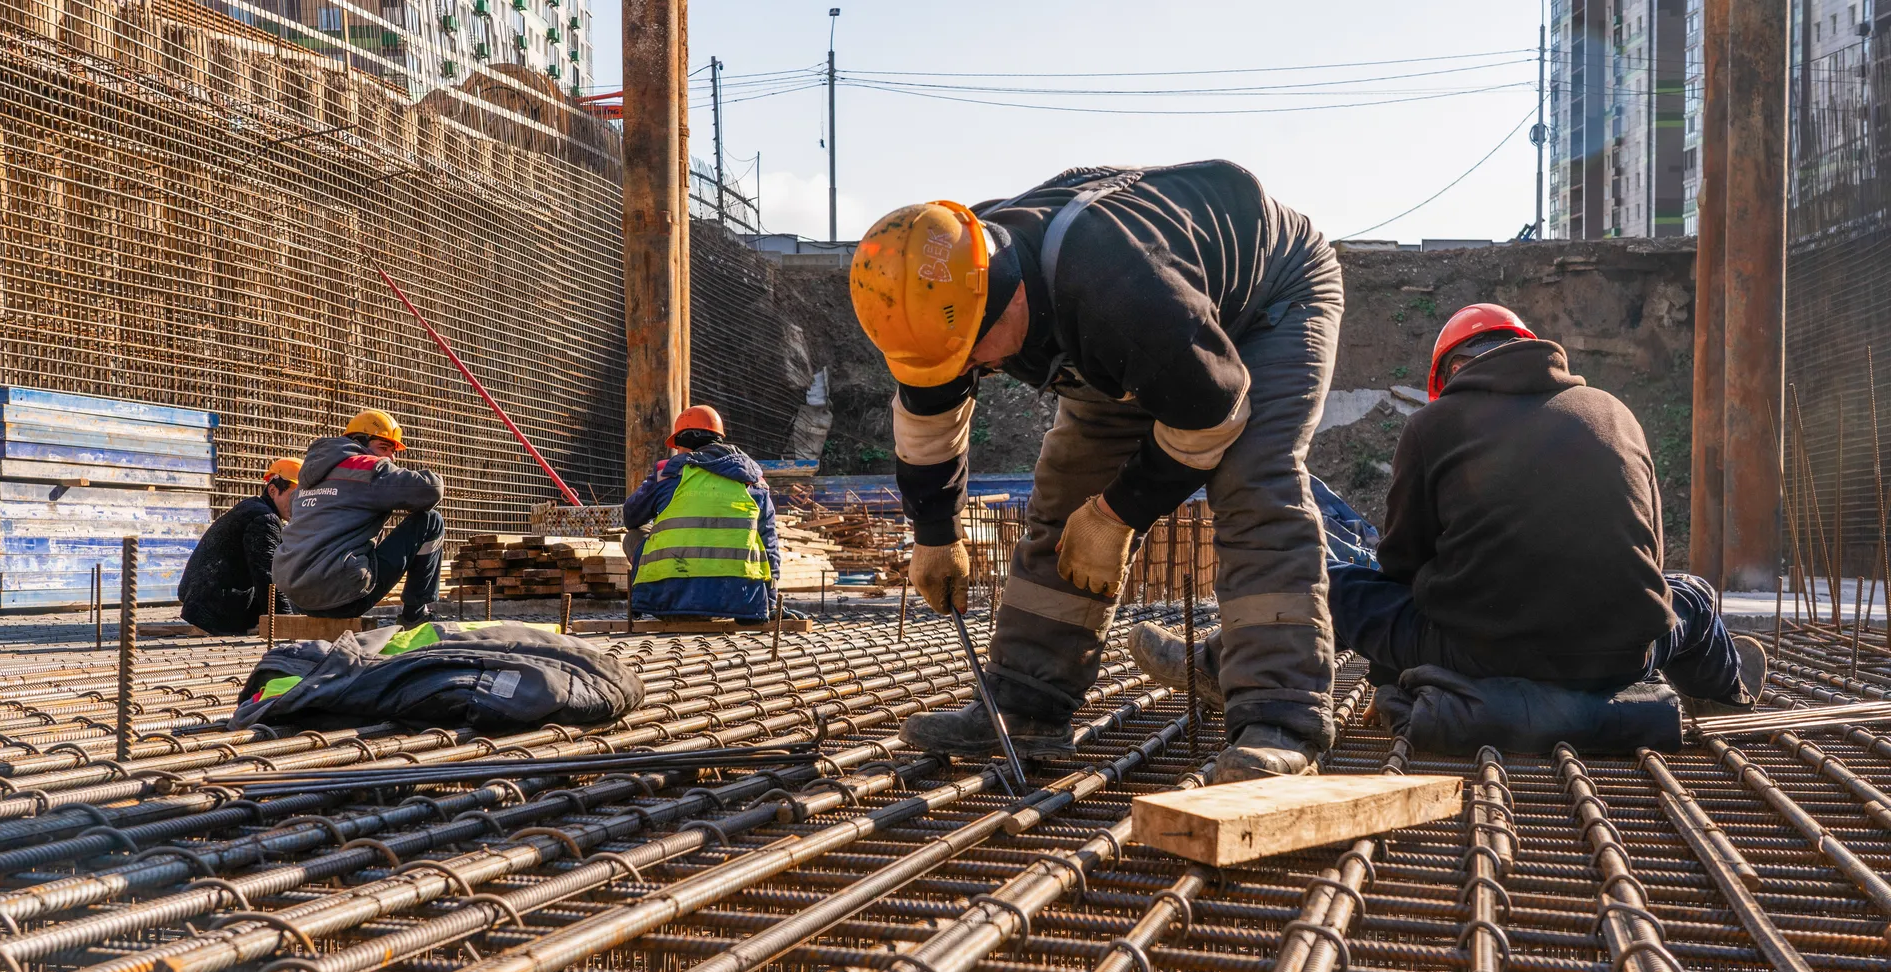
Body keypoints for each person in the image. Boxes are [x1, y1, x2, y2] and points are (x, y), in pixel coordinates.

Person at [847, 161, 1343, 779]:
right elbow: (928, 423)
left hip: (1271, 296)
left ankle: (1281, 717)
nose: (970, 367)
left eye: (972, 352)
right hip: (1135, 330)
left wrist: (1119, 515)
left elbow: (1212, 416)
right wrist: (935, 532)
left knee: (1253, 479)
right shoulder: (938, 292)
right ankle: (1027, 701)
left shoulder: (1118, 290)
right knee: (1067, 488)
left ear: (1011, 297)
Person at [1134, 304, 1764, 747]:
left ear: (1447, 375)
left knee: (1332, 588)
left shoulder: (1436, 425)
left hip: (1483, 655)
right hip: (1627, 655)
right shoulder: (1614, 412)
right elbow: (1645, 558)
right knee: (1693, 598)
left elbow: (1402, 569)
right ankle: (1723, 692)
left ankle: (1221, 666)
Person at [272, 409, 444, 626]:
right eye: (384, 448)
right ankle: (416, 613)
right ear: (359, 442)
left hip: (298, 598)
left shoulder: (307, 478)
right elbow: (431, 489)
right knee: (430, 521)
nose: (391, 457)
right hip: (345, 595)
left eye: (394, 451)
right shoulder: (365, 468)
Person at [622, 405, 781, 622]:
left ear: (685, 441)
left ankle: (650, 598)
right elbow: (769, 545)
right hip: (740, 602)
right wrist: (770, 603)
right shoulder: (753, 480)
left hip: (669, 601)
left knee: (633, 535)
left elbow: (631, 516)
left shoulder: (668, 474)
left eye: (677, 445)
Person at [178, 458, 300, 634]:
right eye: (293, 496)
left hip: (202, 602)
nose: (298, 505)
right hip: (214, 610)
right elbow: (267, 575)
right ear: (273, 490)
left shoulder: (255, 509)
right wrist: (287, 625)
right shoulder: (264, 519)